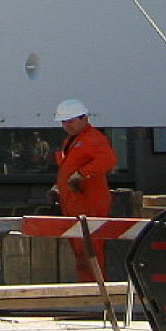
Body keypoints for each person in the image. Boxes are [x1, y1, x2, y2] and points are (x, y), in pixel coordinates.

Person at [46, 99, 118, 281]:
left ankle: (96, 292)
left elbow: (108, 160)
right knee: (82, 252)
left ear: (83, 118)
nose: (66, 125)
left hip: (89, 204)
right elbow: (67, 169)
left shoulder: (93, 139)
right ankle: (89, 291)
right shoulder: (71, 142)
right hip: (74, 204)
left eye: (70, 121)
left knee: (91, 251)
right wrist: (57, 188)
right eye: (64, 122)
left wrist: (82, 174)